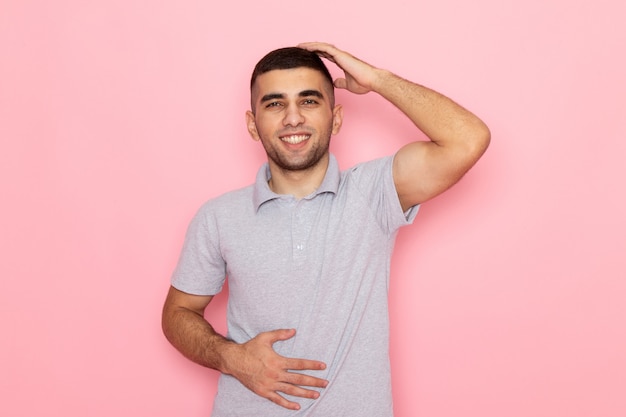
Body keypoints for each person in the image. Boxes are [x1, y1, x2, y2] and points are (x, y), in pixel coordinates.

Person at [162, 42, 490, 416]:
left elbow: (469, 139)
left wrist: (378, 79)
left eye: (309, 101)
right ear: (253, 125)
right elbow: (177, 313)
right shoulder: (217, 216)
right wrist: (231, 357)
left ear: (335, 118)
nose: (292, 118)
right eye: (274, 104)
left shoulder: (375, 193)